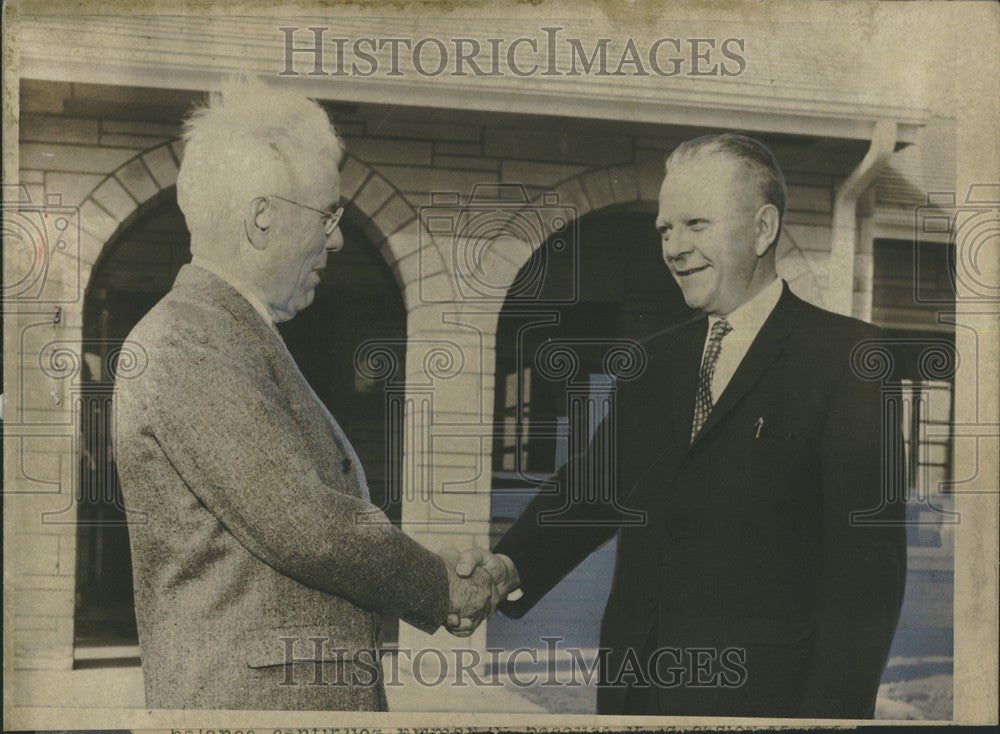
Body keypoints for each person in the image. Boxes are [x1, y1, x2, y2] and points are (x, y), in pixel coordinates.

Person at [459, 133, 907, 718]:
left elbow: (866, 582)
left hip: (765, 707)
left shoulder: (850, 360)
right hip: (634, 695)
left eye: (697, 224)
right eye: (665, 231)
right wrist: (505, 568)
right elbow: (590, 491)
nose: (674, 248)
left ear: (763, 228)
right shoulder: (648, 364)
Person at [113, 77, 495, 711]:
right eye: (327, 214)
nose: (337, 238)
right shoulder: (188, 341)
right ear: (263, 217)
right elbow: (304, 525)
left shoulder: (230, 333)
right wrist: (439, 585)